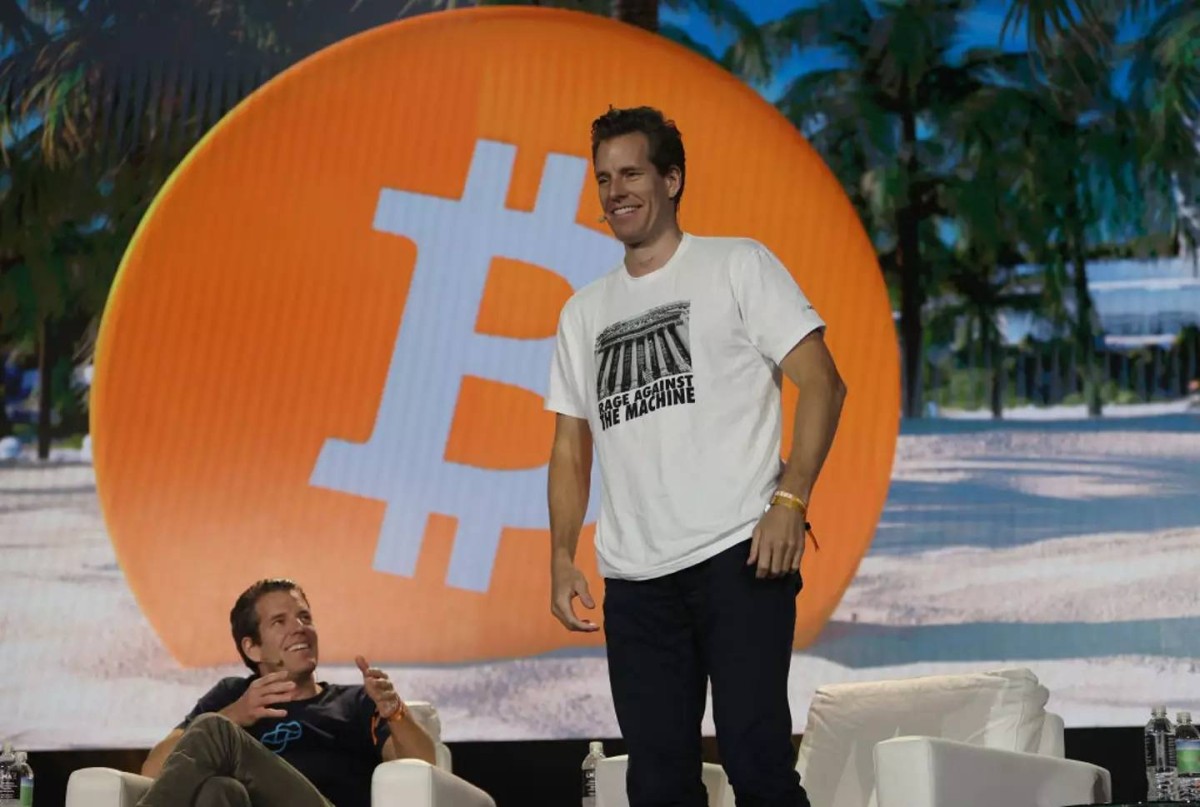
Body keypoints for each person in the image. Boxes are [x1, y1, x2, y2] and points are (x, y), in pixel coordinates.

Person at [546, 106, 846, 807]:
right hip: (636, 579)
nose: (615, 191)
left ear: (672, 179)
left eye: (631, 173)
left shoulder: (737, 265)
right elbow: (568, 447)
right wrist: (560, 554)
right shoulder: (582, 313)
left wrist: (791, 499)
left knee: (756, 761)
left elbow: (823, 383)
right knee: (657, 784)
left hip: (740, 556)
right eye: (603, 178)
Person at [137, 578, 436, 807]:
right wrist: (234, 715)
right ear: (252, 648)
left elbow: (425, 771)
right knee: (218, 791)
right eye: (280, 622)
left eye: (305, 617)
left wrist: (395, 711)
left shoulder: (354, 701)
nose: (299, 628)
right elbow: (152, 771)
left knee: (214, 729)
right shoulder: (231, 696)